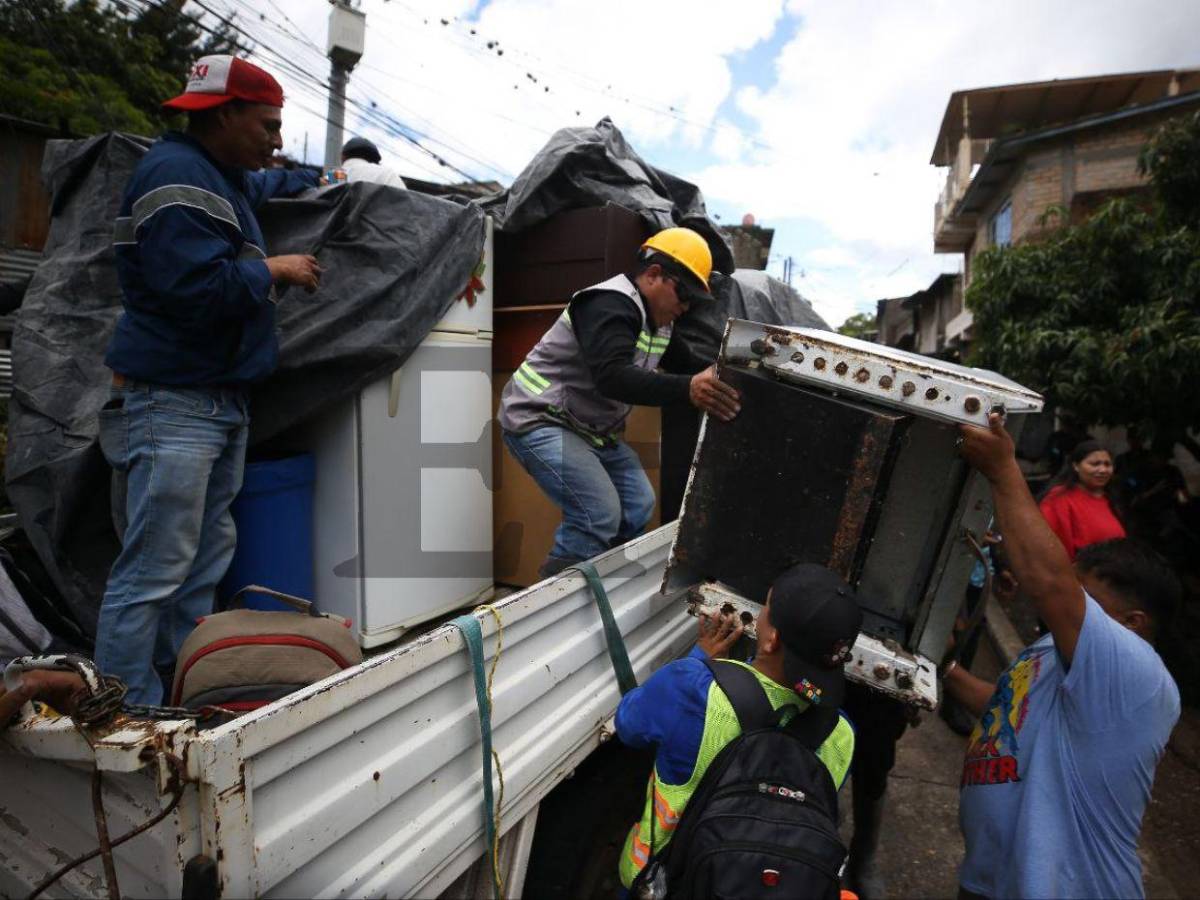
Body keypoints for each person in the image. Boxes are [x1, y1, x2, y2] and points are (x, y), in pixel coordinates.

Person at [97, 55, 323, 705]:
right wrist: (275, 268)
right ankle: (127, 707)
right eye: (269, 125)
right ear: (224, 114)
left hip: (214, 402)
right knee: (155, 568)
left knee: (198, 567)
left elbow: (265, 187)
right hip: (175, 401)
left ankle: (173, 689)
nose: (277, 140)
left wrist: (327, 177)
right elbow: (193, 291)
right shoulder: (175, 179)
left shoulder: (218, 177)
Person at [947, 413, 1181, 900]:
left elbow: (1049, 584)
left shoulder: (1137, 671)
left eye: (1088, 599)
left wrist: (1003, 469)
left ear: (1133, 622)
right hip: (991, 882)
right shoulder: (1053, 650)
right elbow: (1009, 711)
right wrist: (943, 669)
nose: (1073, 606)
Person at [497, 227, 741, 577]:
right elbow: (612, 377)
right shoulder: (608, 303)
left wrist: (729, 372)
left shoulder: (659, 323)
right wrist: (688, 389)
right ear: (654, 275)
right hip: (540, 419)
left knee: (637, 506)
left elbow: (688, 363)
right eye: (684, 294)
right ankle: (553, 606)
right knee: (597, 515)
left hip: (591, 431)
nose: (685, 307)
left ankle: (601, 583)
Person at [614, 563, 860, 891]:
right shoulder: (841, 734)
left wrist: (700, 659)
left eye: (766, 608)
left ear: (771, 638)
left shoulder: (692, 689)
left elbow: (628, 724)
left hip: (662, 883)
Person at [1038, 438, 1125, 559]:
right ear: (1076, 466)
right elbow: (1053, 549)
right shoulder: (1059, 499)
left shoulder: (1110, 498)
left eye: (1107, 464)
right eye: (1095, 464)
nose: (1103, 470)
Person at [340, 136, 407, 189]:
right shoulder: (386, 174)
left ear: (343, 157)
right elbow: (405, 204)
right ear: (375, 160)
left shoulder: (333, 175)